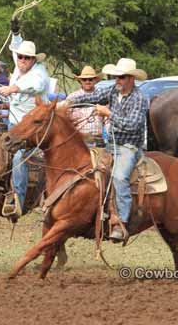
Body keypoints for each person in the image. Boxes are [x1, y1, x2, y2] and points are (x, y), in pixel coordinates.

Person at [61, 58, 148, 242]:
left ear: (131, 78)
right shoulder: (113, 90)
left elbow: (133, 125)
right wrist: (70, 102)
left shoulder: (139, 98)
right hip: (111, 145)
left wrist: (109, 114)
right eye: (116, 76)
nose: (118, 80)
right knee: (92, 173)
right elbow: (92, 97)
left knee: (119, 177)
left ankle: (122, 223)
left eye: (122, 77)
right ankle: (99, 213)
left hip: (129, 147)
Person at [0, 18, 50, 218]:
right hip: (15, 124)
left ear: (33, 60)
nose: (22, 61)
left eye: (26, 58)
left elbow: (36, 86)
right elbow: (15, 47)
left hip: (34, 129)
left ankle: (18, 201)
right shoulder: (20, 62)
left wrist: (13, 87)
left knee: (19, 157)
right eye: (20, 57)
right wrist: (15, 32)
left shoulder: (39, 73)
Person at [65, 66, 105, 147]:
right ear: (80, 81)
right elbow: (66, 121)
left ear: (95, 80)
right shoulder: (72, 97)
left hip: (98, 140)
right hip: (79, 140)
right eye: (84, 79)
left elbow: (108, 120)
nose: (87, 81)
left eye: (90, 79)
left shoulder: (103, 96)